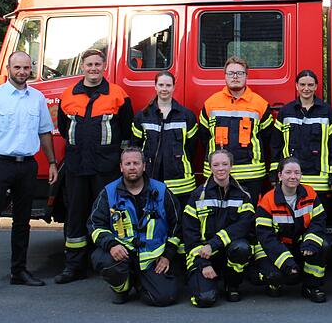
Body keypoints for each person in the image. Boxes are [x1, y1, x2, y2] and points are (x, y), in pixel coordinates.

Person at [0, 51, 58, 300]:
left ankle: (18, 272)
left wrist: (51, 162)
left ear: (32, 69)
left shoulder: (38, 98)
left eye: (26, 67)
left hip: (27, 166)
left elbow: (45, 133)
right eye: (17, 67)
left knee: (22, 223)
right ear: (9, 68)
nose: (21, 71)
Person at [56, 48, 133, 284]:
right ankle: (74, 266)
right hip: (77, 166)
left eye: (98, 64)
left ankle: (110, 262)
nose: (93, 68)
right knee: (75, 215)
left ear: (104, 66)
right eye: (89, 64)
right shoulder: (68, 95)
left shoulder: (118, 95)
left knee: (110, 215)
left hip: (106, 167)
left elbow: (127, 129)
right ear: (82, 67)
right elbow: (63, 128)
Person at [87, 147, 180, 306]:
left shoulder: (161, 191)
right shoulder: (109, 193)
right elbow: (95, 224)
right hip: (122, 253)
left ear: (144, 166)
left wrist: (167, 256)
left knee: (164, 298)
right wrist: (111, 244)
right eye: (127, 163)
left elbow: (177, 225)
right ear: (121, 167)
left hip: (152, 259)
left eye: (136, 163)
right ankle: (122, 289)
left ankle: (140, 282)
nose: (132, 167)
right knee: (102, 259)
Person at [182, 150, 255, 307]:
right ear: (210, 168)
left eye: (224, 164)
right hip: (203, 254)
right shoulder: (198, 195)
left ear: (231, 166)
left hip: (227, 249)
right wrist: (203, 263)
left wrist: (213, 244)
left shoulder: (243, 195)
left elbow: (243, 226)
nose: (220, 168)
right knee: (205, 299)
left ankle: (232, 285)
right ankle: (208, 283)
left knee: (242, 248)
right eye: (216, 165)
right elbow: (189, 234)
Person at [256, 157, 332, 303]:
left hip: (300, 244)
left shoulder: (310, 193)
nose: (293, 176)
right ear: (280, 175)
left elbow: (319, 221)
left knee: (324, 245)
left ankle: (311, 286)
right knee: (277, 275)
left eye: (297, 173)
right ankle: (274, 283)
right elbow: (266, 237)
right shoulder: (268, 200)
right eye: (288, 172)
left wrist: (310, 243)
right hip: (277, 247)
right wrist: (287, 262)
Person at [199, 56, 274, 203]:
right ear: (225, 76)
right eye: (231, 73)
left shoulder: (260, 104)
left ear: (246, 76)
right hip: (219, 173)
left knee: (249, 216)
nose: (235, 77)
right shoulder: (210, 103)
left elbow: (267, 138)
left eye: (240, 73)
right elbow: (204, 136)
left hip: (251, 174)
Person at [270, 70, 332, 213]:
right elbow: (276, 145)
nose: (306, 88)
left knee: (318, 220)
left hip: (320, 180)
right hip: (291, 179)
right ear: (296, 86)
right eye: (302, 84)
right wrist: (274, 172)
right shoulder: (286, 111)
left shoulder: (327, 112)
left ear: (316, 87)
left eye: (310, 85)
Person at [131, 71, 198, 210]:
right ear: (155, 86)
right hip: (150, 176)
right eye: (161, 85)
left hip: (181, 182)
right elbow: (135, 147)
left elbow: (192, 147)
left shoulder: (186, 116)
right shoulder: (142, 116)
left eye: (168, 85)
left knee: (179, 219)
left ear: (174, 87)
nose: (164, 89)